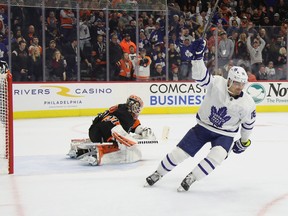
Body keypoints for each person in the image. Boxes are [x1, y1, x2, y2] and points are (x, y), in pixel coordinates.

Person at [145, 39, 256, 192]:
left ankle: (192, 177)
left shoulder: (248, 102)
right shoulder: (217, 83)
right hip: (202, 128)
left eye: (243, 83)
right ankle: (158, 173)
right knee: (179, 154)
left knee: (217, 156)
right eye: (237, 83)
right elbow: (201, 77)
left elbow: (248, 125)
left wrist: (244, 142)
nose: (240, 87)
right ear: (229, 80)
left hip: (225, 134)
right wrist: (197, 59)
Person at [67, 95, 156, 166]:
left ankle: (80, 148)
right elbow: (126, 131)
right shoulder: (126, 116)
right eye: (138, 108)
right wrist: (135, 139)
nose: (139, 110)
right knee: (130, 147)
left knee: (121, 134)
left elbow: (134, 125)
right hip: (102, 132)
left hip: (94, 132)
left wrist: (143, 130)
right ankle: (101, 153)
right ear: (133, 106)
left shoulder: (122, 108)